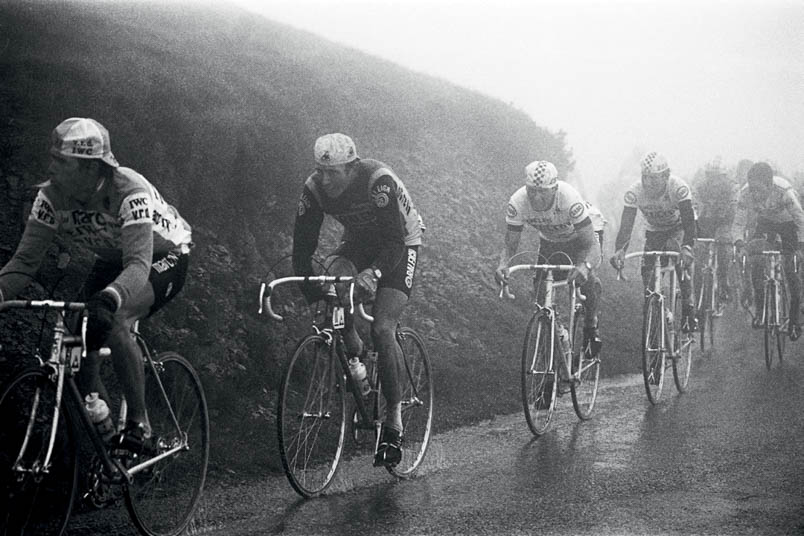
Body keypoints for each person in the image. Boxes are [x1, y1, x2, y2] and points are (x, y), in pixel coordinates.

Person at [0, 118, 193, 451]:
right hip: (110, 261)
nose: (51, 167)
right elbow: (23, 265)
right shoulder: (50, 197)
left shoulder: (128, 189)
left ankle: (139, 424)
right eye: (52, 157)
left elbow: (137, 264)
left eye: (61, 161)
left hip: (165, 255)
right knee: (73, 343)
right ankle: (106, 443)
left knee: (116, 317)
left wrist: (110, 298)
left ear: (90, 168)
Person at [292, 133, 424, 467]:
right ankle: (355, 359)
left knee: (382, 328)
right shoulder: (315, 187)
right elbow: (303, 245)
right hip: (358, 242)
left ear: (352, 168)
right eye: (321, 171)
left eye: (333, 172)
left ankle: (393, 422)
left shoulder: (377, 181)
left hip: (400, 243)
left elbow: (394, 242)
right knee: (334, 284)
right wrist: (312, 288)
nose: (325, 179)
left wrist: (374, 274)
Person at [494, 160, 603, 356]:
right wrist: (503, 264)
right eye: (532, 190)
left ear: (554, 188)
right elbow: (510, 245)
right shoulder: (518, 201)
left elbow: (592, 247)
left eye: (542, 191)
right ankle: (557, 333)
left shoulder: (568, 198)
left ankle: (590, 326)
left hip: (581, 235)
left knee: (583, 279)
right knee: (539, 293)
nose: (536, 196)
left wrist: (585, 267)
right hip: (551, 239)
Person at [609, 150, 698, 331]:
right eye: (645, 177)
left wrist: (687, 247)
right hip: (655, 231)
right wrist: (620, 250)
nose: (648, 183)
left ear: (666, 176)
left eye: (654, 179)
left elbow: (690, 224)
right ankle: (657, 309)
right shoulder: (634, 192)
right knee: (648, 274)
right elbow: (626, 225)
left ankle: (689, 309)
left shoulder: (678, 187)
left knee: (681, 263)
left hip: (679, 228)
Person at [732, 161, 804, 340]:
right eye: (752, 189)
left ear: (770, 185)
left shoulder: (785, 192)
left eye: (759, 189)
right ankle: (761, 310)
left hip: (789, 226)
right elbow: (738, 222)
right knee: (756, 260)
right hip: (765, 225)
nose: (755, 194)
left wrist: (800, 249)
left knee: (791, 270)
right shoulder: (745, 193)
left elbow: (800, 220)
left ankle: (794, 320)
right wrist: (740, 244)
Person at [693, 157, 736, 302]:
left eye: (718, 177)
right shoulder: (700, 187)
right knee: (698, 259)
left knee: (724, 251)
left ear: (724, 177)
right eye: (711, 176)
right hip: (705, 222)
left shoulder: (731, 187)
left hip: (724, 223)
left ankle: (723, 282)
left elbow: (734, 208)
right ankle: (696, 292)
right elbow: (694, 204)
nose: (714, 181)